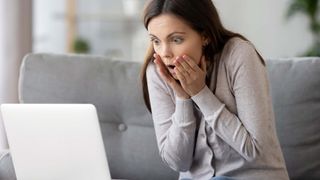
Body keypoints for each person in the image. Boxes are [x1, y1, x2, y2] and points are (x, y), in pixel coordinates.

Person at [140, 0, 289, 180]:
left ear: (205, 36)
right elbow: (178, 163)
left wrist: (200, 93)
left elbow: (254, 150)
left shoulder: (239, 54)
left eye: (176, 39)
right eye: (156, 41)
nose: (165, 53)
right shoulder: (158, 70)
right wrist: (182, 98)